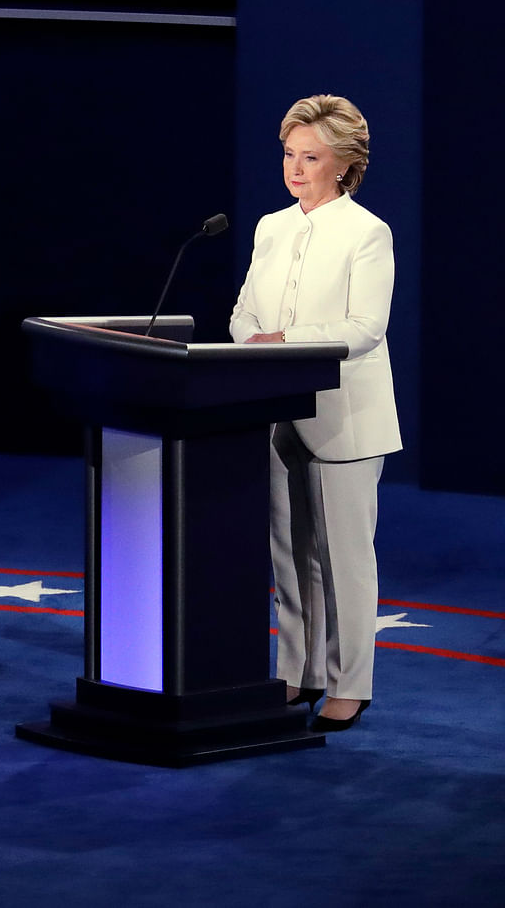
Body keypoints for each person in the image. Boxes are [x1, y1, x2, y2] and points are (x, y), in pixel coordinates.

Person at [228, 94, 399, 733]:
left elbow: (365, 328)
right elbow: (244, 310)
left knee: (343, 558)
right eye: (289, 155)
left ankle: (351, 683)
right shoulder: (271, 227)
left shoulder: (367, 232)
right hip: (275, 409)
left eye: (311, 157)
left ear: (343, 164)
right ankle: (298, 672)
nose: (295, 169)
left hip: (345, 414)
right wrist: (252, 342)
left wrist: (284, 344)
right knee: (290, 554)